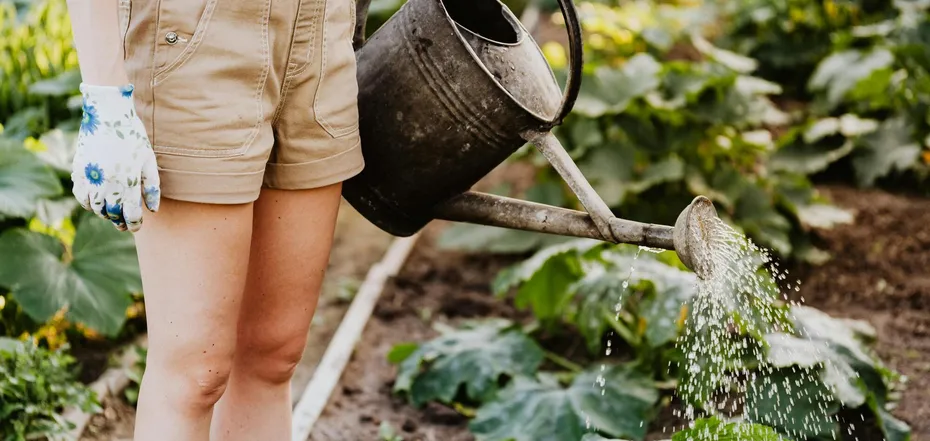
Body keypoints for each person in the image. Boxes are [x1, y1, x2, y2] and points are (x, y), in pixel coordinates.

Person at [66, 0, 364, 439]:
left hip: (323, 30)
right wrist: (105, 96)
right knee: (194, 375)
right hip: (198, 36)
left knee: (274, 355)